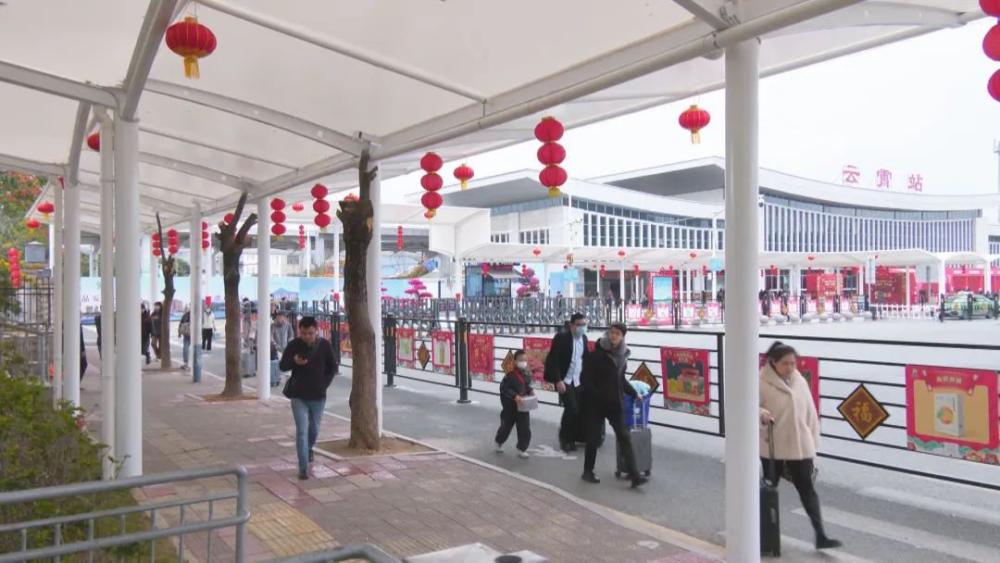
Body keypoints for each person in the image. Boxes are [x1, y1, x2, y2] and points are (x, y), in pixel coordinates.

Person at [759, 341, 841, 550]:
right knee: (768, 490)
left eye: (793, 363)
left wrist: (813, 443)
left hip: (799, 445)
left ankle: (820, 535)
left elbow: (811, 414)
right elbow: (750, 407)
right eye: (785, 363)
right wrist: (761, 414)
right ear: (773, 363)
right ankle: (762, 534)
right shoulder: (760, 382)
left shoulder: (800, 382)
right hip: (772, 446)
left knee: (807, 489)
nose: (790, 367)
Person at [580, 322, 646, 488]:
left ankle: (634, 475)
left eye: (617, 333)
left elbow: (620, 380)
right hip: (596, 404)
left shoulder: (622, 356)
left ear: (623, 336)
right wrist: (597, 394)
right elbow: (585, 380)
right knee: (593, 438)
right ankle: (587, 471)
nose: (613, 336)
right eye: (611, 332)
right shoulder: (596, 354)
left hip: (615, 403)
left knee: (624, 437)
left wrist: (633, 393)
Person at [279, 316, 338, 480]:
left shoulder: (325, 346)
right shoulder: (294, 345)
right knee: (302, 431)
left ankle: (309, 448)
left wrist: (324, 384)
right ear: (300, 331)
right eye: (303, 333)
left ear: (316, 331)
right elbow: (282, 365)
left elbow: (333, 367)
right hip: (298, 395)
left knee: (314, 430)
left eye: (310, 333)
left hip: (318, 396)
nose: (307, 336)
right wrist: (294, 361)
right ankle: (303, 467)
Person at [544, 312, 589, 452]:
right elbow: (553, 360)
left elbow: (585, 358)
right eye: (579, 325)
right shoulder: (561, 338)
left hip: (578, 380)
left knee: (577, 410)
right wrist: (558, 380)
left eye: (584, 324)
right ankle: (565, 438)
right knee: (571, 408)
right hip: (565, 380)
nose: (582, 327)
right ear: (571, 325)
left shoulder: (584, 339)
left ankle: (572, 438)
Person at [494, 350, 534, 458]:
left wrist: (530, 391)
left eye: (525, 360)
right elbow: (504, 388)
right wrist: (514, 396)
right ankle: (499, 441)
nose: (523, 362)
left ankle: (522, 448)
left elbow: (526, 386)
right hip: (510, 406)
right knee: (506, 426)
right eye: (521, 360)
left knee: (525, 428)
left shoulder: (527, 373)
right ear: (515, 361)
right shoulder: (510, 374)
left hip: (523, 404)